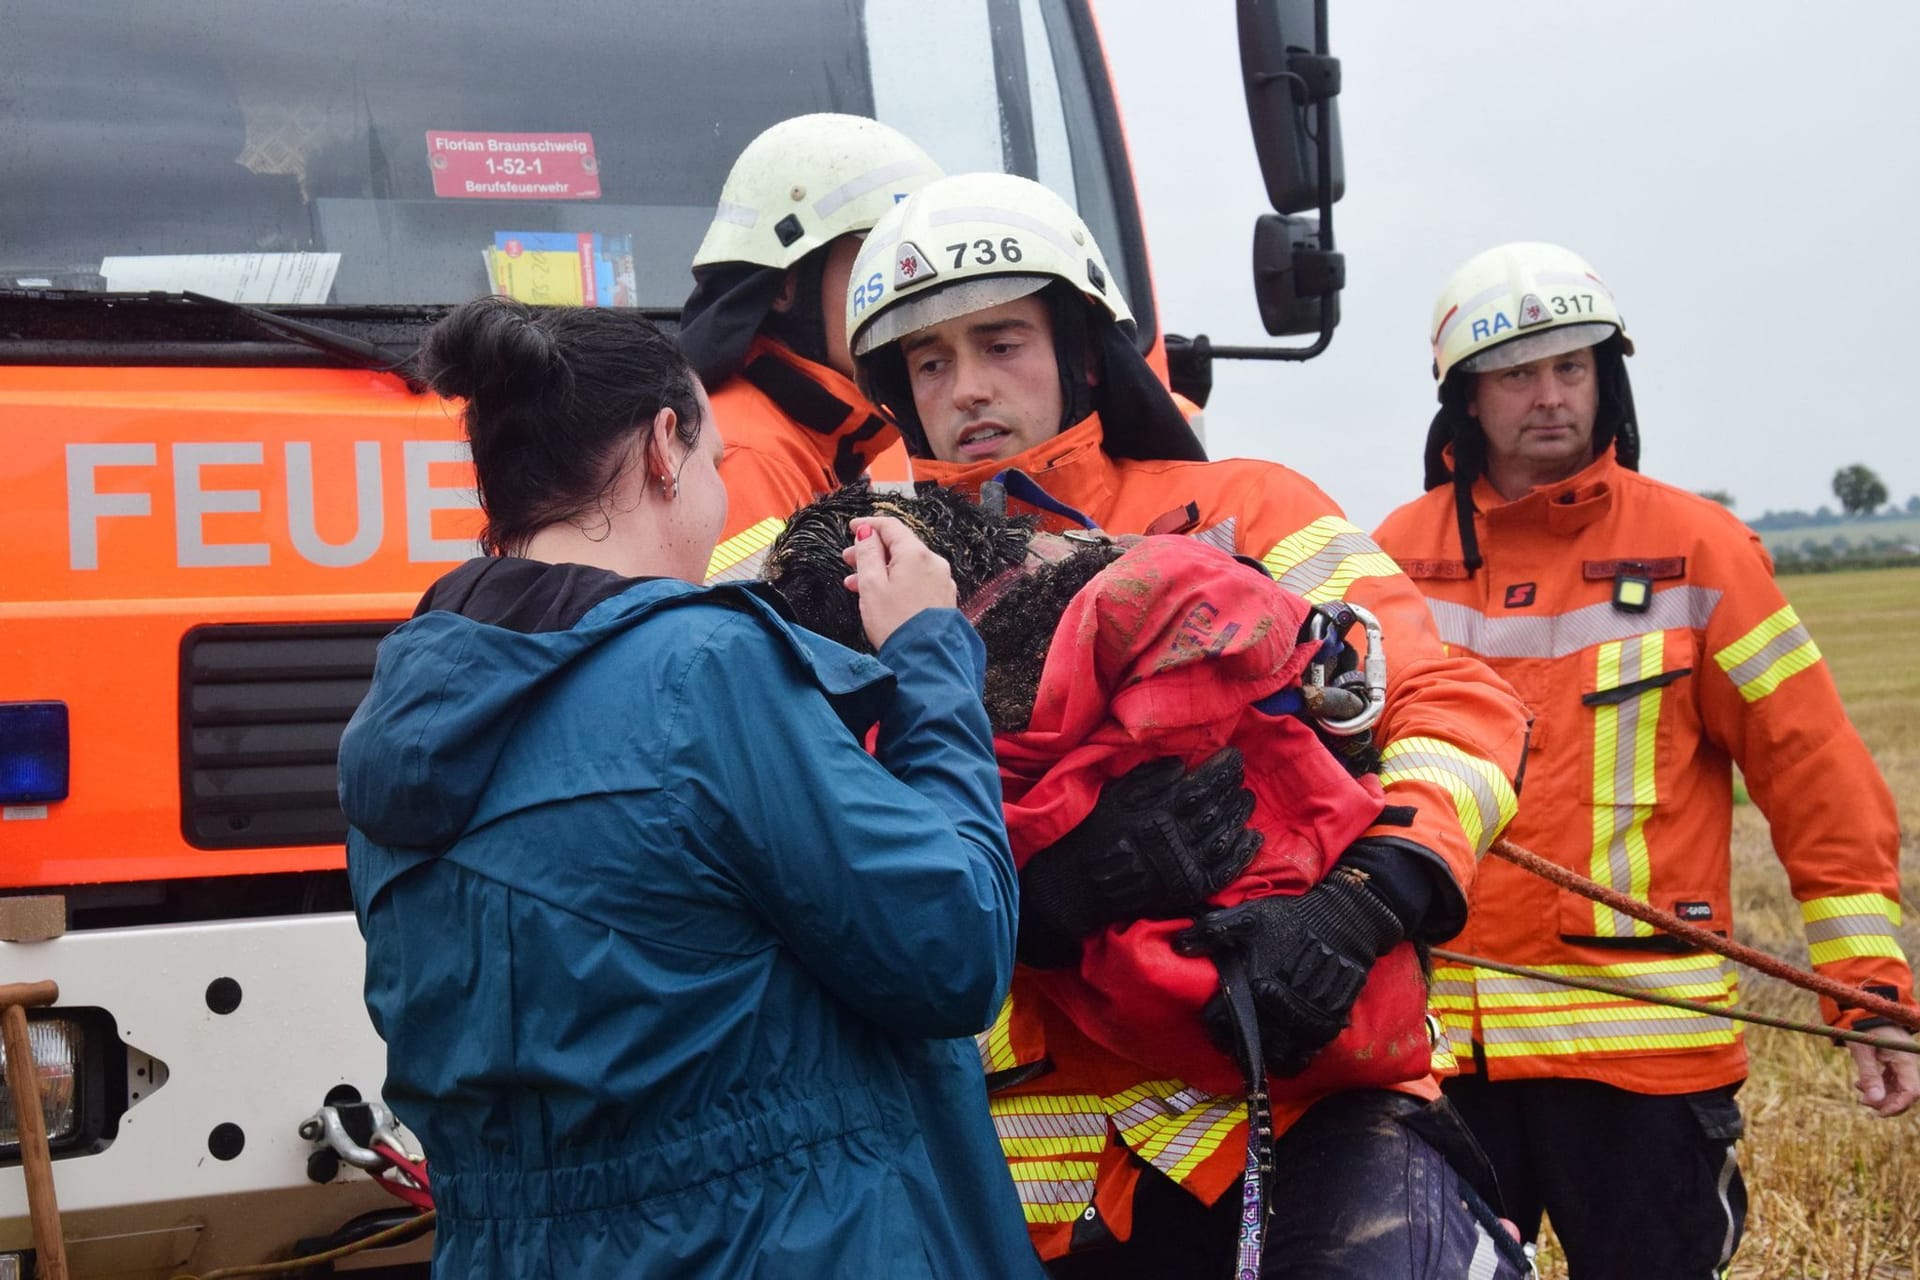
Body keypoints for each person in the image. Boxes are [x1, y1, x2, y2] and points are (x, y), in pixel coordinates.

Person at [841, 173, 1535, 1277]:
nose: (967, 386)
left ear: (1077, 347)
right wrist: (1042, 903)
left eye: (1001, 341)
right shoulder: (844, 569)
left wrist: (1364, 904)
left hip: (1296, 1103)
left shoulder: (1250, 510)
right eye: (930, 360)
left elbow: (1452, 707)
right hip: (1007, 1170)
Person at [337, 297, 1045, 1278]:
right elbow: (952, 946)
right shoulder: (700, 669)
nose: (718, 498)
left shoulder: (398, 711)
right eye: (715, 463)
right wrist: (930, 654)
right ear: (664, 447)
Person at [1372, 241, 1920, 1279]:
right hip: (1439, 1049)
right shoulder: (1391, 556)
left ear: (1606, 378)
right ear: (1464, 398)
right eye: (1517, 373)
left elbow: (1813, 768)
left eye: (1571, 367)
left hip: (1644, 1054)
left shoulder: (1700, 551)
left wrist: (1869, 987)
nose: (1549, 396)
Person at [679, 112, 941, 583]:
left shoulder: (836, 437)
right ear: (787, 286)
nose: (903, 296)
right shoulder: (740, 453)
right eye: (874, 262)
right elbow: (741, 648)